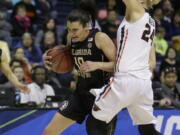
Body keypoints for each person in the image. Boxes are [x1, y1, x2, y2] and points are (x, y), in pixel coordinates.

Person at [89, 0, 163, 135]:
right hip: (144, 84)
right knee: (147, 129)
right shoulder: (151, 22)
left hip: (126, 80)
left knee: (95, 122)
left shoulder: (137, 12)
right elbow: (152, 62)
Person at [43, 7, 117, 135]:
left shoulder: (100, 38)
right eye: (69, 29)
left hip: (102, 97)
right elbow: (65, 59)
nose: (72, 33)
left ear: (85, 27)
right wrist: (49, 60)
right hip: (80, 94)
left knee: (94, 131)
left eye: (75, 30)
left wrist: (98, 65)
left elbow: (120, 65)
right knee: (49, 132)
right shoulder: (71, 38)